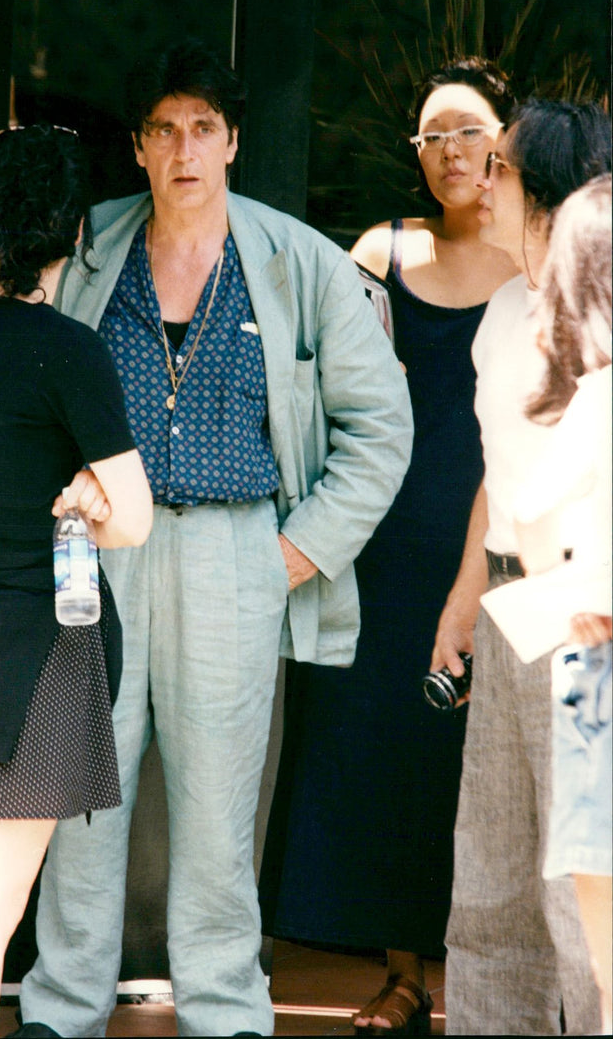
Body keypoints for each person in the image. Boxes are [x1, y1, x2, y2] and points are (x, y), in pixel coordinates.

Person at [15, 38, 414, 1038]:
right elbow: (19, 386)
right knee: (80, 788)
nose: (184, 147)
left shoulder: (298, 260)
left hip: (240, 546)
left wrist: (297, 550)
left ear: (231, 141)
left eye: (203, 127)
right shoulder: (86, 247)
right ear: (140, 148)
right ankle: (61, 1008)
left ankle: (228, 1012)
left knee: (218, 800)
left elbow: (381, 426)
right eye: (163, 129)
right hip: (103, 545)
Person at [258, 59, 519, 1033]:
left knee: (478, 758)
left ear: (505, 137)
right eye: (431, 137)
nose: (450, 152)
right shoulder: (382, 252)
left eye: (467, 129)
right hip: (379, 538)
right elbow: (317, 378)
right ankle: (404, 975)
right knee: (374, 749)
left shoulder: (539, 255)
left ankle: (484, 979)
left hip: (497, 534)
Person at [0, 124, 153, 1039]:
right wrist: (92, 495)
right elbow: (132, 519)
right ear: (78, 235)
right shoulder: (69, 351)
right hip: (42, 656)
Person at [431, 98, 611, 1035]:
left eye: (498, 165)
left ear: (544, 194)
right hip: (507, 608)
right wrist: (465, 598)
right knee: (493, 871)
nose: (478, 178)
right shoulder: (502, 310)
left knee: (581, 886)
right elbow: (495, 476)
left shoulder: (599, 313)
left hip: (582, 618)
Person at [512, 173, 612, 1032]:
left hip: (601, 678)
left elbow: (529, 519)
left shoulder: (597, 399)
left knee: (610, 954)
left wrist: (574, 584)